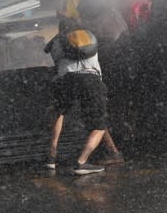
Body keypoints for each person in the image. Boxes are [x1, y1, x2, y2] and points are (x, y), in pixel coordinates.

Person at [44, 18, 123, 175]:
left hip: (65, 81)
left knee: (60, 113)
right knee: (99, 125)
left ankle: (51, 156)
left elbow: (54, 58)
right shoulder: (88, 36)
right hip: (91, 81)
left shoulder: (57, 43)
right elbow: (111, 39)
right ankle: (82, 162)